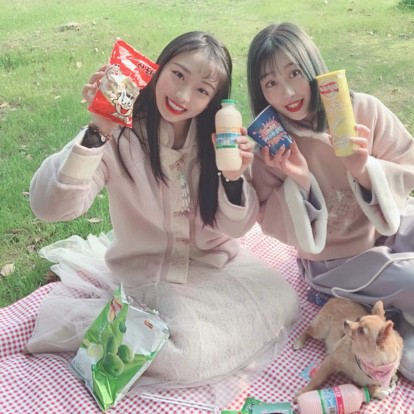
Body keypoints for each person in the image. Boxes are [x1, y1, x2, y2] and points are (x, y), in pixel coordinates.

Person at [27, 31, 299, 389]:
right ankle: (121, 333)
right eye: (178, 75)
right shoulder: (120, 134)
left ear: (213, 100)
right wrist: (98, 130)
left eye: (202, 90)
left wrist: (233, 178)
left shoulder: (219, 138)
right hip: (150, 274)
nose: (184, 96)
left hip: (213, 264)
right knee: (188, 355)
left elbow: (236, 229)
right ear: (158, 70)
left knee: (285, 300)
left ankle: (161, 335)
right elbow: (49, 207)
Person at [247, 21, 414, 382]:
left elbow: (408, 162)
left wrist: (364, 169)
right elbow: (265, 215)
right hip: (333, 263)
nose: (287, 92)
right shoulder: (272, 147)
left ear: (313, 67)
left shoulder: (363, 111)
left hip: (383, 231)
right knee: (410, 279)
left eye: (294, 73)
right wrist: (300, 181)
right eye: (270, 83)